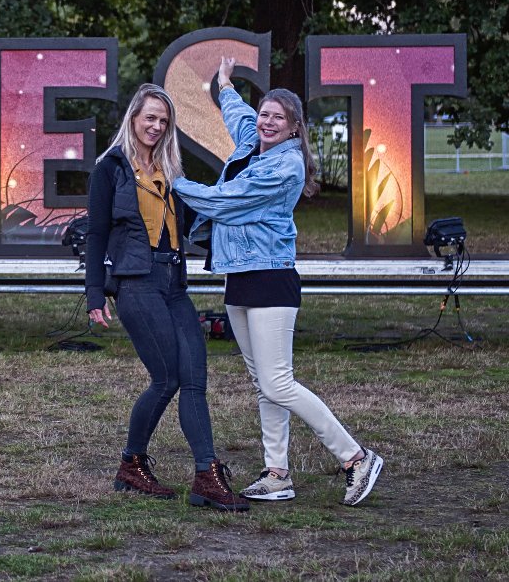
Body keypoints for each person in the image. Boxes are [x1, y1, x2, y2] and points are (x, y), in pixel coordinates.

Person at [172, 58, 384, 507]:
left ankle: (356, 457)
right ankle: (276, 474)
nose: (267, 122)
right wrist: (225, 85)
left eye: (278, 118)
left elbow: (228, 202)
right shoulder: (256, 143)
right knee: (261, 383)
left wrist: (172, 183)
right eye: (265, 114)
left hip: (271, 278)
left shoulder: (284, 167)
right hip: (239, 277)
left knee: (278, 383)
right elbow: (240, 116)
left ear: (294, 128)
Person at [85, 83, 247, 512]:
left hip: (174, 283)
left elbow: (200, 212)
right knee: (166, 377)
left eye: (163, 120)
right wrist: (94, 293)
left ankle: (206, 478)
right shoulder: (111, 168)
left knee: (194, 376)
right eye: (149, 118)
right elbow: (97, 233)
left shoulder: (171, 168)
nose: (156, 126)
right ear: (133, 118)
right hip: (136, 282)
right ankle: (131, 463)